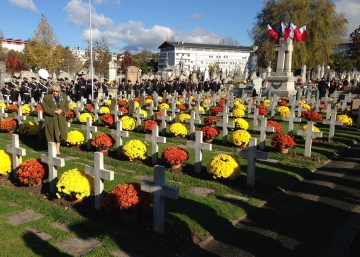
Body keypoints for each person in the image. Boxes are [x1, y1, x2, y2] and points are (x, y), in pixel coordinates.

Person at [42, 84, 69, 155]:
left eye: (57, 91)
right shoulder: (47, 98)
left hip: (60, 118)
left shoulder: (64, 97)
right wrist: (54, 111)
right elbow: (45, 108)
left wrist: (62, 110)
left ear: (59, 91)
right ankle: (52, 148)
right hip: (52, 118)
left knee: (60, 133)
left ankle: (57, 149)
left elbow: (66, 107)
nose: (55, 92)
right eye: (53, 91)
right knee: (53, 133)